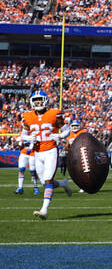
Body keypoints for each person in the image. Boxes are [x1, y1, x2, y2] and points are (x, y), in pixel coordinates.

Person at [22, 90, 70, 218]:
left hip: (51, 151)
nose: (37, 102)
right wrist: (28, 139)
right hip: (37, 153)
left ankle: (44, 210)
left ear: (45, 100)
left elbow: (67, 130)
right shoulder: (27, 116)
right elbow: (23, 135)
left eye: (40, 99)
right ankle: (63, 183)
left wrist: (59, 135)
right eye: (35, 100)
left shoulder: (54, 114)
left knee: (48, 180)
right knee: (45, 182)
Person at [14, 131, 40, 196]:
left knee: (33, 171)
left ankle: (36, 187)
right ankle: (20, 187)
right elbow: (16, 144)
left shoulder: (34, 132)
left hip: (32, 154)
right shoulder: (22, 133)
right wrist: (18, 144)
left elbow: (35, 142)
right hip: (23, 153)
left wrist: (30, 145)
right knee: (21, 170)